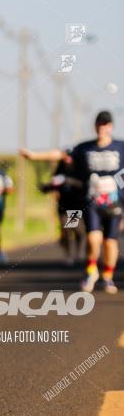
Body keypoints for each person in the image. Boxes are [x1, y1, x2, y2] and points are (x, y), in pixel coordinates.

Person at [70, 111, 124, 293]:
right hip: (92, 201)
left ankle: (108, 277)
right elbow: (61, 154)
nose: (102, 127)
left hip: (114, 201)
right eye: (99, 124)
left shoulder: (120, 146)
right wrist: (34, 156)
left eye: (106, 124)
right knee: (94, 238)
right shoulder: (84, 148)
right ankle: (91, 271)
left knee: (110, 243)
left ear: (111, 126)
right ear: (95, 126)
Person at [19, 147, 85, 265]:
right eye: (65, 156)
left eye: (70, 156)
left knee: (77, 230)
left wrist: (69, 181)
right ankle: (68, 254)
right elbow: (53, 185)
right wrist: (46, 187)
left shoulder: (79, 169)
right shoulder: (60, 169)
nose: (67, 159)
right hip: (62, 205)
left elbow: (83, 185)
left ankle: (78, 251)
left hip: (75, 205)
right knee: (65, 230)